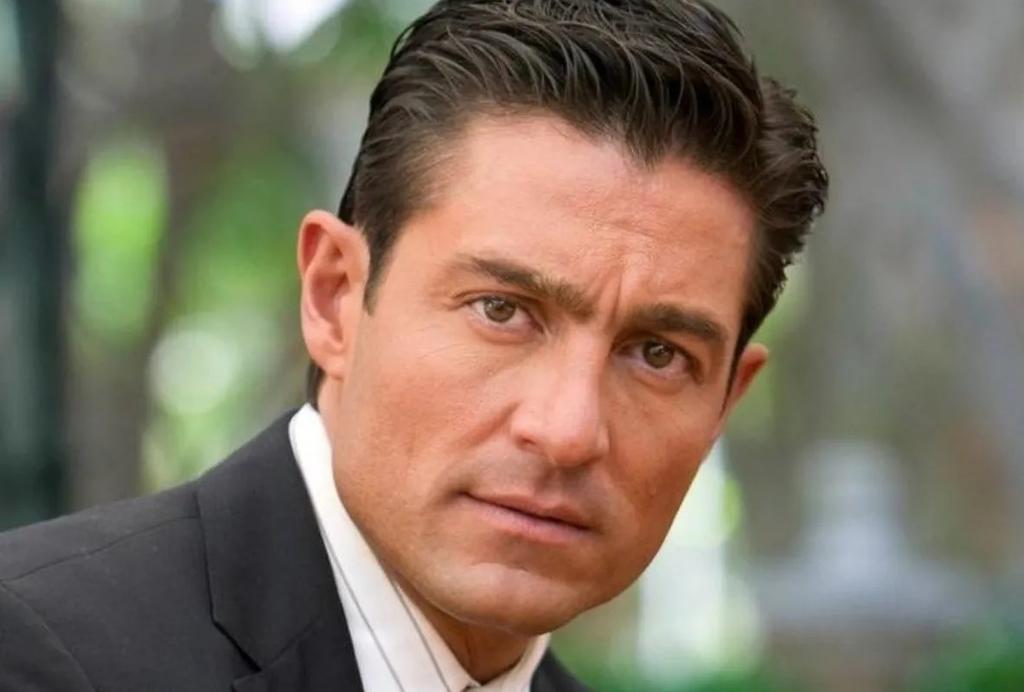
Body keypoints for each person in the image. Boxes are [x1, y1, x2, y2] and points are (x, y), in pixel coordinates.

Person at [0, 1, 827, 690]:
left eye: (658, 354)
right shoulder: (43, 651)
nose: (568, 430)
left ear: (725, 404)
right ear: (334, 298)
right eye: (502, 310)